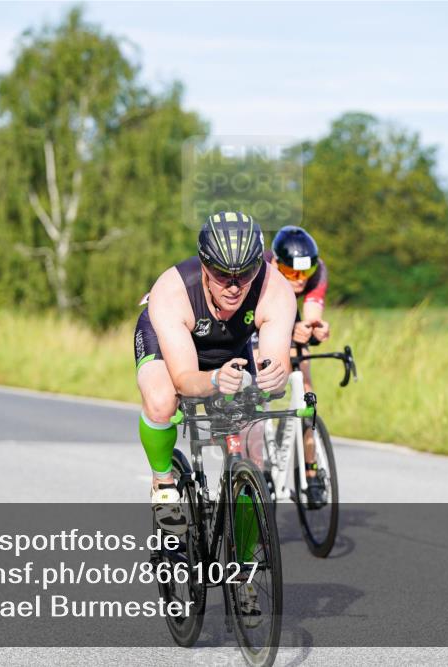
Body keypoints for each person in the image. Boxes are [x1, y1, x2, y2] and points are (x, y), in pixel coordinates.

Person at [135, 211, 296, 619]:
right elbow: (186, 378)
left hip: (233, 348)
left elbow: (275, 366)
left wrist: (273, 375)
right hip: (176, 348)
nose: (235, 285)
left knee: (252, 453)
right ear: (205, 266)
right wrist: (212, 382)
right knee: (161, 400)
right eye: (223, 274)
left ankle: (242, 573)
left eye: (245, 273)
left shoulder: (275, 290)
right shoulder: (173, 291)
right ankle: (163, 482)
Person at [265, 226, 330, 507]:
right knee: (259, 380)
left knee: (306, 393)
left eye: (305, 273)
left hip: (289, 315)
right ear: (277, 263)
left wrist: (314, 329)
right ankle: (257, 459)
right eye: (291, 273)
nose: (300, 280)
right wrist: (290, 332)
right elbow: (264, 323)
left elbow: (312, 313)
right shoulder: (263, 271)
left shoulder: (316, 272)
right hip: (261, 315)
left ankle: (311, 469)